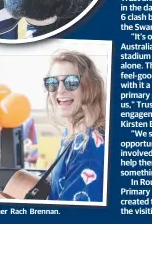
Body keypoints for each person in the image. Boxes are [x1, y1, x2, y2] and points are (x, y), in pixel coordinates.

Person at [44, 50, 106, 203]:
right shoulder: (73, 133)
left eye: (71, 81)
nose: (60, 90)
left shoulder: (88, 146)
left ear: (89, 87)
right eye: (53, 82)